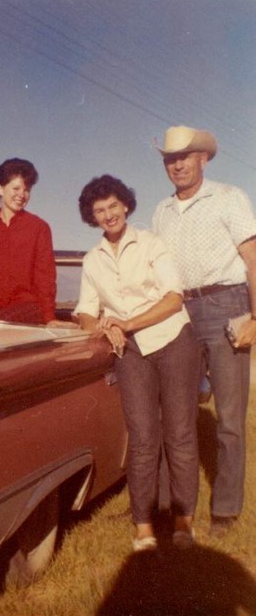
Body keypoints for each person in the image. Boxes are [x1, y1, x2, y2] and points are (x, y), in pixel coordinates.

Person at [75, 174, 200, 552]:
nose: (108, 214)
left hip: (173, 341)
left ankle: (183, 520)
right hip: (129, 353)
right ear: (92, 217)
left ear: (126, 205)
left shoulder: (151, 243)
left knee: (179, 433)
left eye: (113, 205)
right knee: (142, 437)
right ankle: (143, 525)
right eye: (100, 210)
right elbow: (85, 311)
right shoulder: (92, 260)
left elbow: (173, 299)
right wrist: (102, 326)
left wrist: (126, 323)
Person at [153, 125, 256, 537]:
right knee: (176, 414)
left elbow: (252, 259)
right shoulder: (161, 211)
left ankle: (226, 510)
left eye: (184, 157)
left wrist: (255, 318)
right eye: (170, 159)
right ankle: (170, 506)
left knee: (229, 417)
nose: (177, 165)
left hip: (227, 305)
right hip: (178, 313)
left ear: (203, 159)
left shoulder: (230, 197)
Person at [0, 158, 56, 325]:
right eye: (16, 188)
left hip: (28, 307)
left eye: (27, 190)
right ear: (0, 188)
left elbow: (45, 279)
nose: (22, 195)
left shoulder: (39, 228)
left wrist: (49, 318)